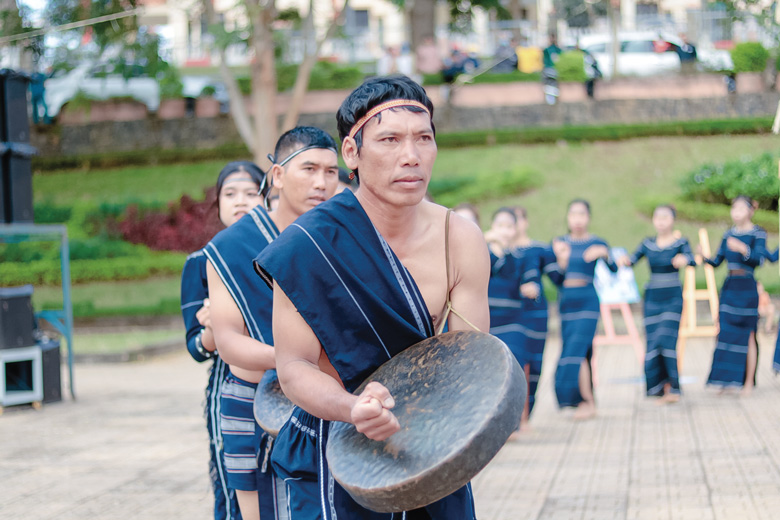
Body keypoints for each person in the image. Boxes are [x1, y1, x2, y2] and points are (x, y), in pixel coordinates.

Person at [255, 75, 490, 519]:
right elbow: (294, 367)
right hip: (333, 447)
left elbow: (470, 365)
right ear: (352, 153)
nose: (411, 156)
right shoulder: (308, 246)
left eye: (424, 138)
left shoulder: (458, 239)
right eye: (389, 139)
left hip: (426, 444)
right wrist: (353, 408)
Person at [206, 127, 340, 520]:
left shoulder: (338, 234)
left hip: (330, 402)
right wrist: (297, 362)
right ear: (277, 176)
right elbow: (228, 341)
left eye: (331, 171)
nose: (321, 182)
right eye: (309, 168)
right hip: (251, 402)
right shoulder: (233, 244)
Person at [180, 160, 265, 520]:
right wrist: (217, 329)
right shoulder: (201, 262)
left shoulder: (281, 252)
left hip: (287, 379)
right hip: (229, 385)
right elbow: (196, 347)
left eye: (250, 193)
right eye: (230, 194)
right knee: (235, 485)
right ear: (217, 205)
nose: (240, 201)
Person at [618, 205, 696, 403]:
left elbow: (692, 259)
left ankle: (674, 388)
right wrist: (624, 260)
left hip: (673, 297)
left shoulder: (680, 242)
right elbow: (632, 260)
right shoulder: (648, 243)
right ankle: (657, 387)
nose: (661, 221)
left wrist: (685, 259)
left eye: (665, 217)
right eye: (657, 217)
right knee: (653, 343)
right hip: (652, 298)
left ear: (672, 220)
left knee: (666, 340)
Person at [549, 199, 616, 420]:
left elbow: (615, 269)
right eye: (573, 214)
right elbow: (556, 279)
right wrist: (562, 261)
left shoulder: (596, 242)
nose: (577, 219)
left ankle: (585, 401)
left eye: (582, 214)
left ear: (588, 217)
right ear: (567, 218)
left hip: (588, 300)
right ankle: (586, 400)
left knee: (576, 350)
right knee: (580, 351)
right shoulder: (560, 244)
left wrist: (605, 253)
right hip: (567, 302)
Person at [702, 195, 766, 396]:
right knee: (726, 333)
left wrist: (743, 249)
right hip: (730, 286)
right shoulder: (727, 235)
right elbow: (717, 261)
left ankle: (747, 382)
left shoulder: (758, 234)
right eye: (734, 208)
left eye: (740, 208)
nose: (736, 212)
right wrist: (703, 257)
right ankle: (725, 380)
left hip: (747, 287)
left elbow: (760, 259)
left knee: (748, 335)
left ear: (750, 211)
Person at [510, 206, 561, 425]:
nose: (515, 225)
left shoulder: (540, 249)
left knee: (535, 364)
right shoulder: (498, 252)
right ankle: (511, 419)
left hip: (536, 314)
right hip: (509, 315)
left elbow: (558, 277)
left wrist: (563, 259)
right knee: (512, 364)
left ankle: (526, 415)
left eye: (518, 219)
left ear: (525, 222)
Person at [484, 208, 526, 432]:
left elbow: (511, 275)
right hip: (488, 319)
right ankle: (490, 423)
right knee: (489, 372)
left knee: (512, 367)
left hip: (513, 320)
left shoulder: (519, 256)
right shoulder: (480, 250)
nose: (504, 231)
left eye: (509, 226)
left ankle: (511, 422)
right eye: (500, 225)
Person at [542, 34, 562, 105]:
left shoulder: (549, 49)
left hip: (550, 69)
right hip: (552, 69)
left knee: (550, 84)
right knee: (551, 84)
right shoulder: (555, 49)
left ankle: (551, 99)